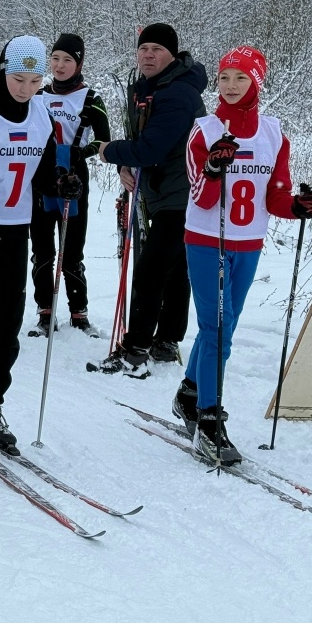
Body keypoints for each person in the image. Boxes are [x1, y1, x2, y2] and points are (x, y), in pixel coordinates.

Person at [177, 46, 312, 464]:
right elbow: (200, 198)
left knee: (223, 327)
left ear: (256, 82)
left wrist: (295, 207)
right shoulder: (204, 130)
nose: (232, 86)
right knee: (217, 330)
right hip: (206, 241)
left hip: (250, 242)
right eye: (225, 78)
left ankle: (189, 392)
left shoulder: (274, 134)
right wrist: (214, 171)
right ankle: (208, 419)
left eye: (241, 78)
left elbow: (273, 194)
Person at [0, 36, 79, 460]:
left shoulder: (43, 113)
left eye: (35, 80)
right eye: (18, 78)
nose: (25, 88)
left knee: (8, 330)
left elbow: (43, 174)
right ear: (2, 70)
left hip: (15, 228)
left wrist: (62, 184)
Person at [92, 23, 207, 377]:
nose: (148, 55)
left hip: (182, 193)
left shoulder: (177, 93)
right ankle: (167, 340)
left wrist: (109, 151)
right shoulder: (152, 88)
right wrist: (129, 163)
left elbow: (152, 147)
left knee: (153, 268)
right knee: (173, 269)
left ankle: (136, 348)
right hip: (166, 191)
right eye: (143, 49)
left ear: (172, 55)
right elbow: (148, 145)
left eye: (157, 49)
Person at [28, 33, 111, 336]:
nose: (60, 66)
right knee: (42, 248)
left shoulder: (90, 98)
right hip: (40, 177)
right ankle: (44, 311)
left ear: (79, 63)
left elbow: (104, 141)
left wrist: (79, 152)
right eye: (55, 58)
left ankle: (79, 313)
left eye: (67, 60)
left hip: (74, 178)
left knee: (72, 250)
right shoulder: (37, 94)